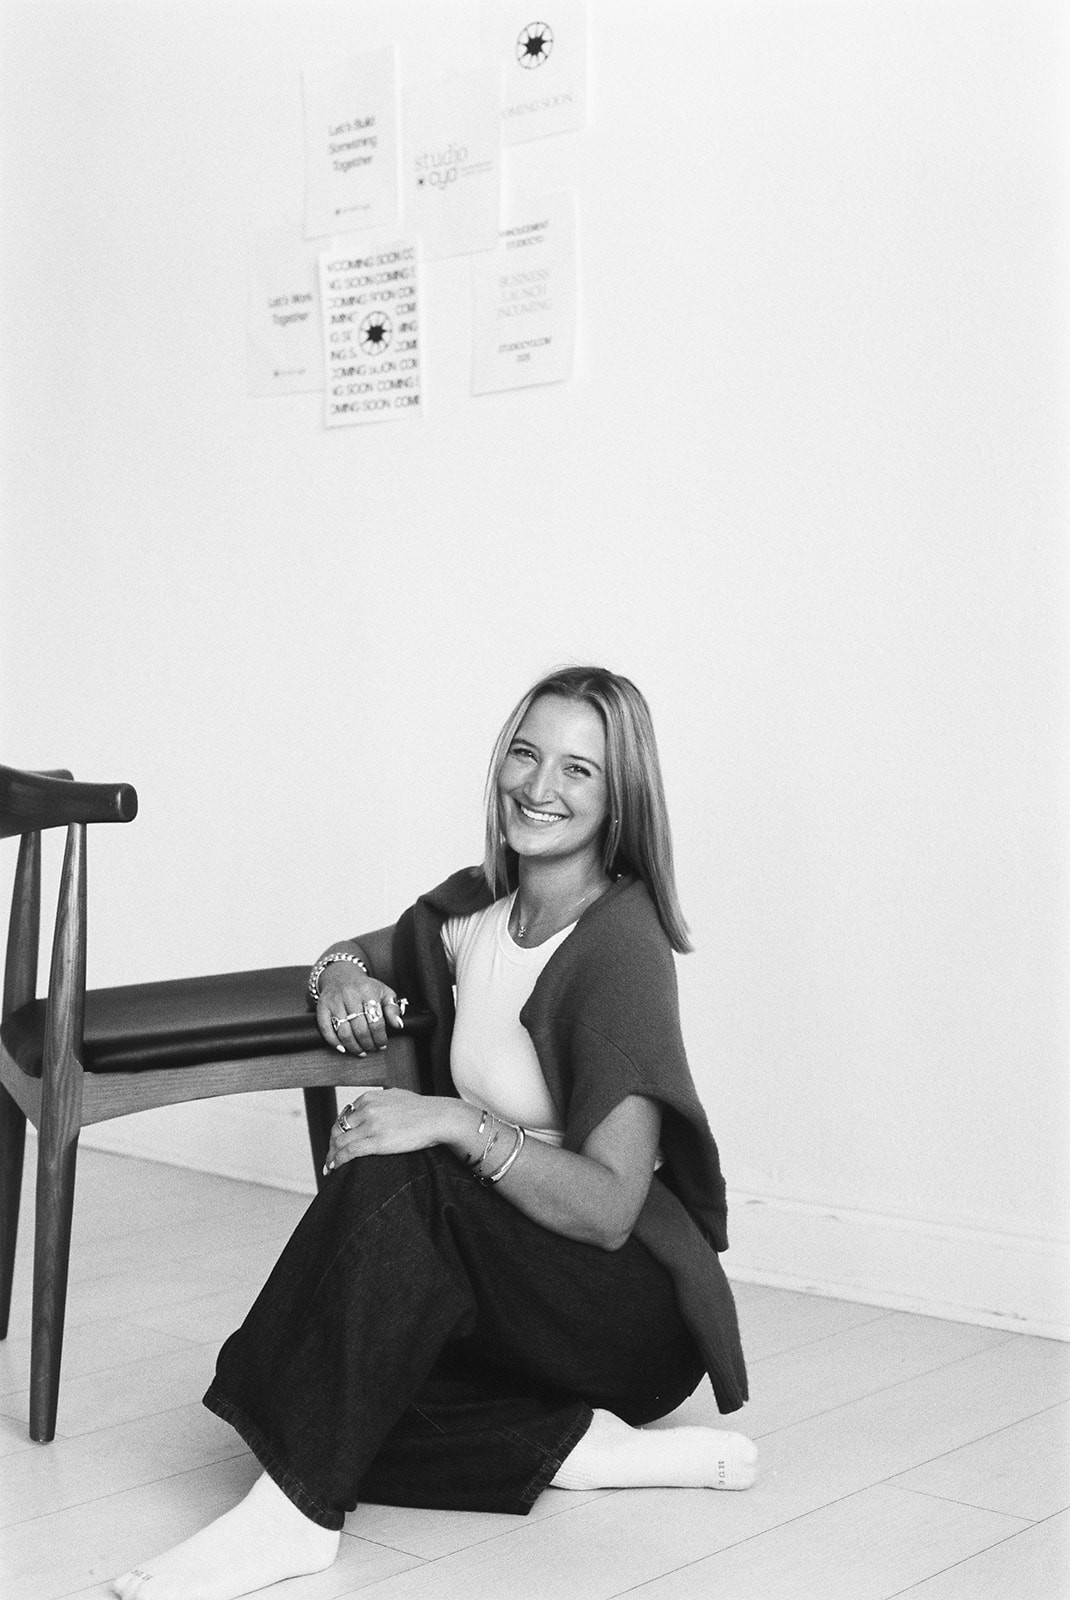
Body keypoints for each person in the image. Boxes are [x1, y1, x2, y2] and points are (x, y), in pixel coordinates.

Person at [113, 666, 754, 1600]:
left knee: (392, 1185)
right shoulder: (474, 910)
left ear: (620, 802)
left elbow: (614, 1208)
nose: (540, 789)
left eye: (579, 771)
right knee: (342, 1382)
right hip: (518, 1284)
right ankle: (565, 1444)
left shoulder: (621, 944)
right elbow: (350, 952)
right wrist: (338, 979)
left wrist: (453, 1122)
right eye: (527, 755)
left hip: (626, 1311)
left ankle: (294, 1519)